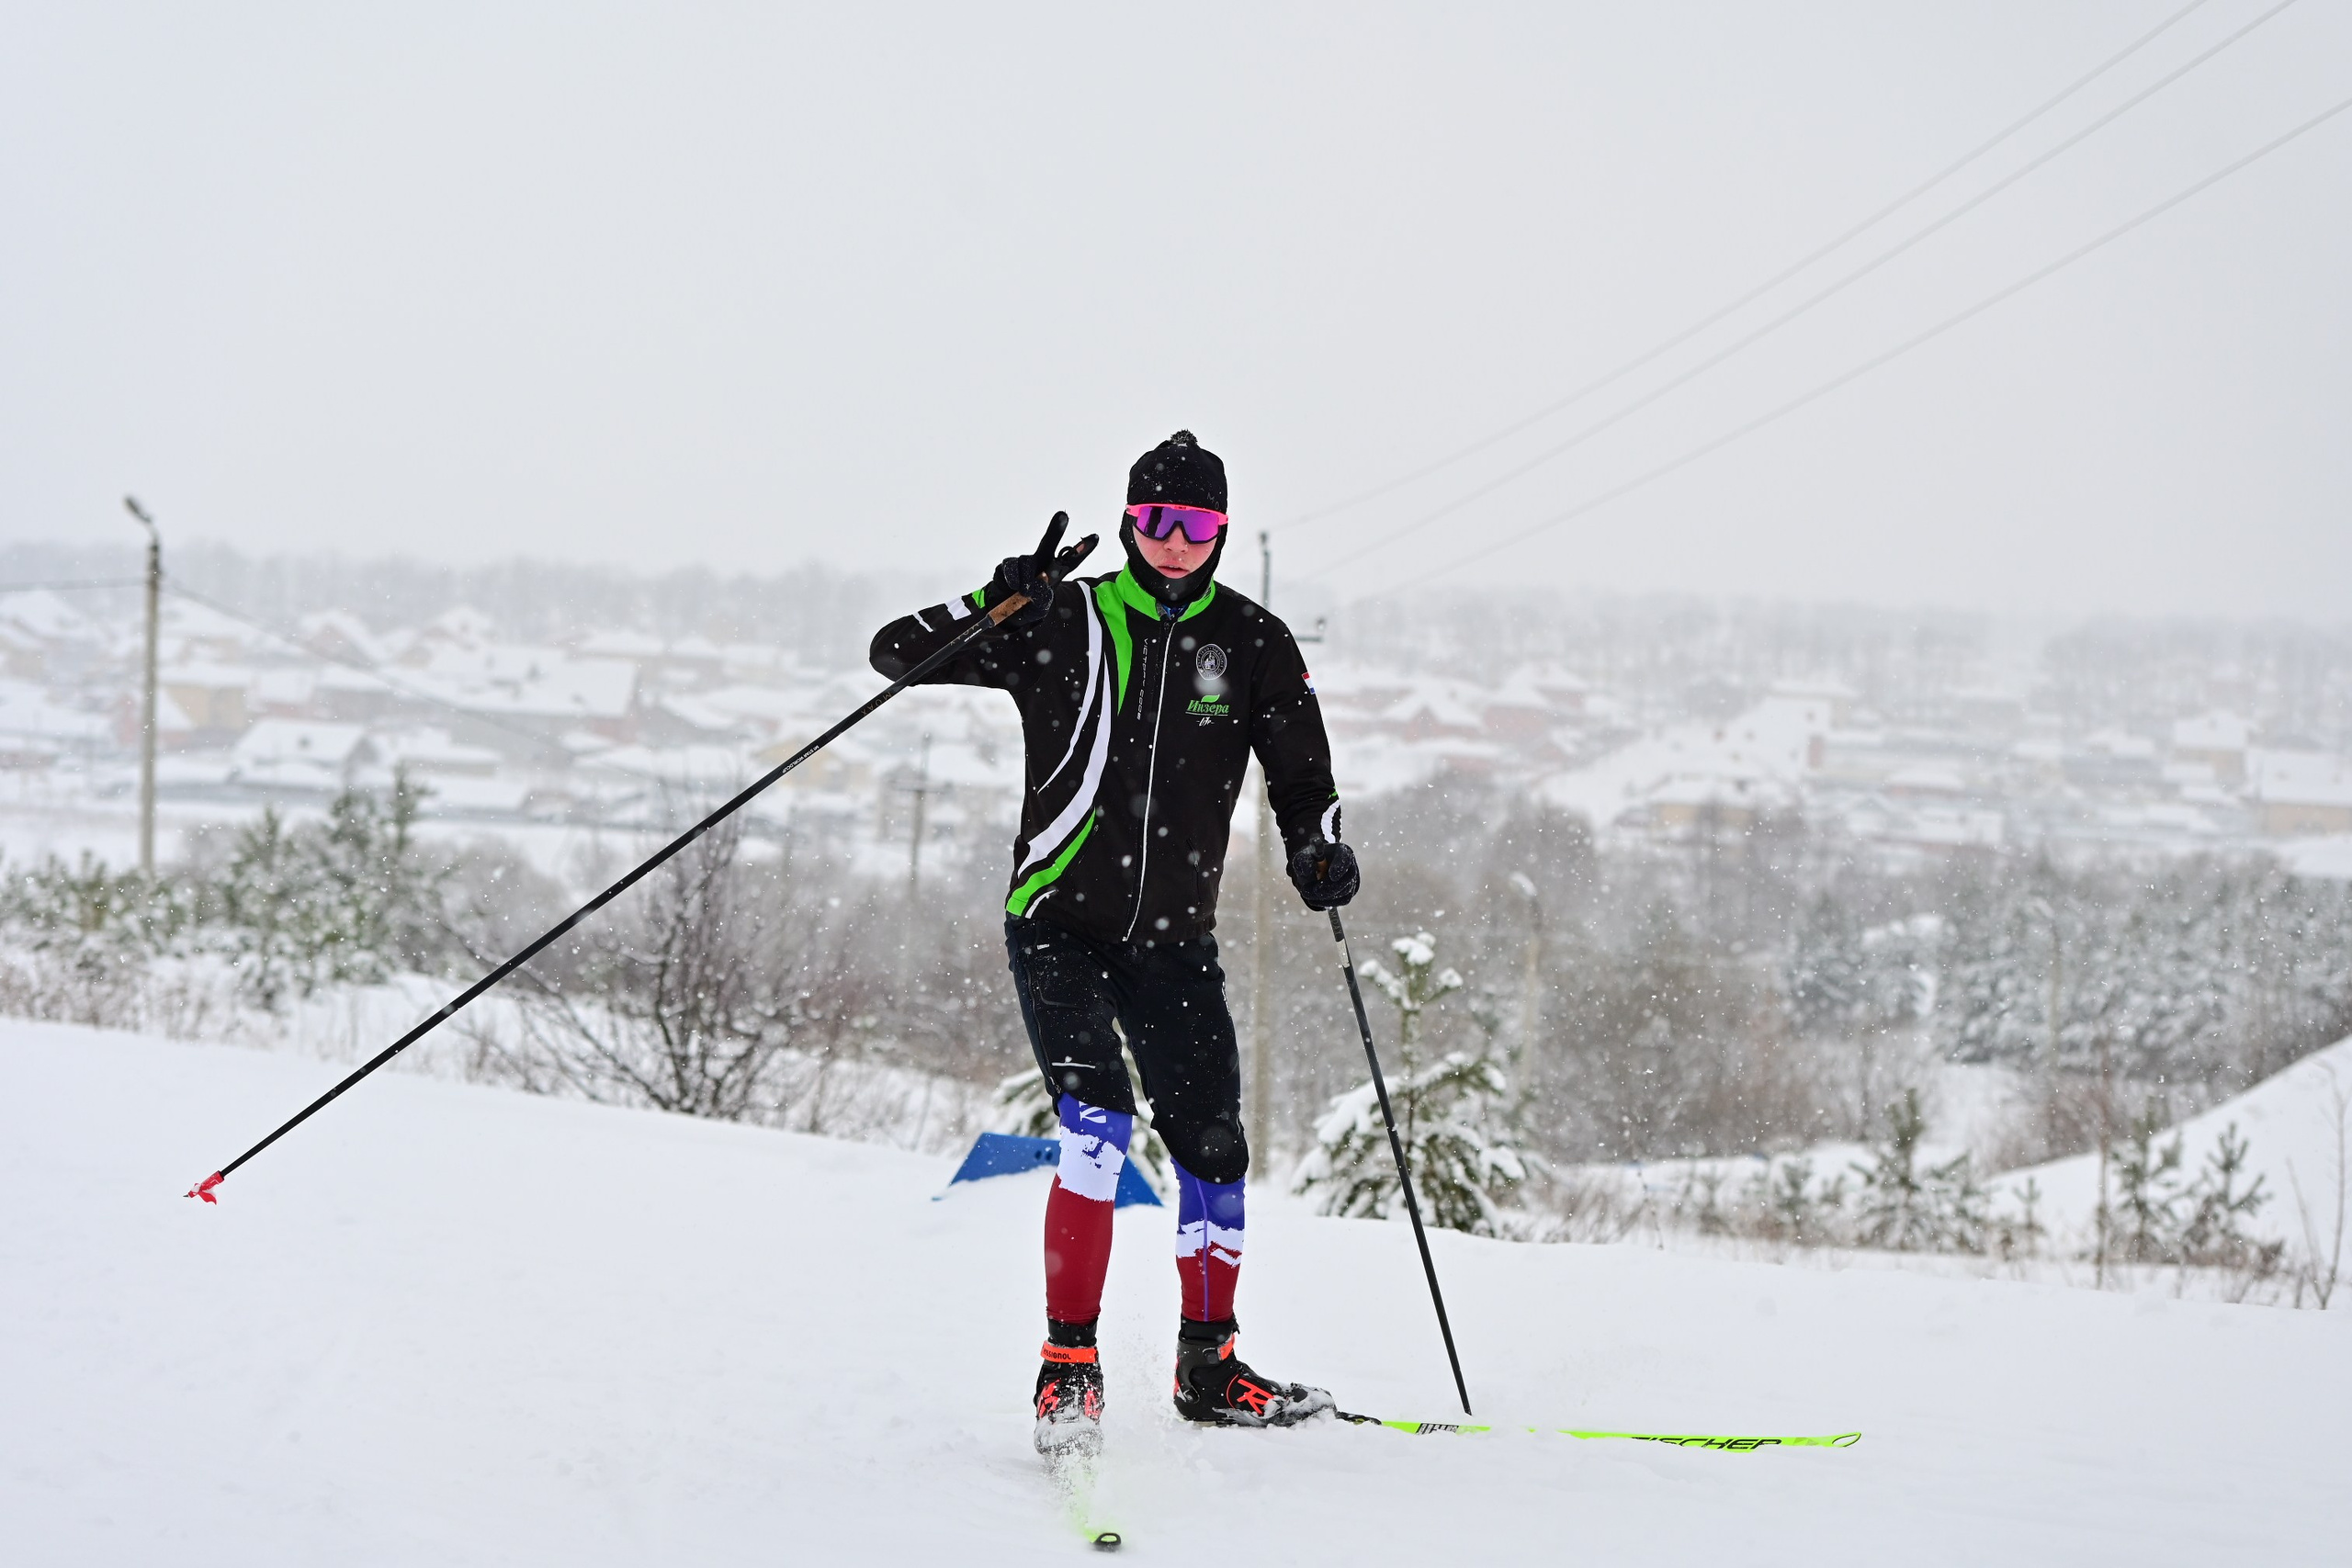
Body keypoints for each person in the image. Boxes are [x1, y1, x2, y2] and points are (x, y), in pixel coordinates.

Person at [869, 431, 1361, 1453]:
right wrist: (996, 603)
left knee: (1213, 1149)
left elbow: (1302, 775)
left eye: (1195, 526)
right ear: (1130, 522)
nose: (1174, 543)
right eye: (1154, 523)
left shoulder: (1255, 641)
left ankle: (1209, 1365)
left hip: (1173, 942)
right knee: (1097, 1121)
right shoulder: (1070, 617)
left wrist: (1316, 847)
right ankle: (1068, 1368)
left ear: (1219, 531)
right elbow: (894, 654)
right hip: (1058, 925)